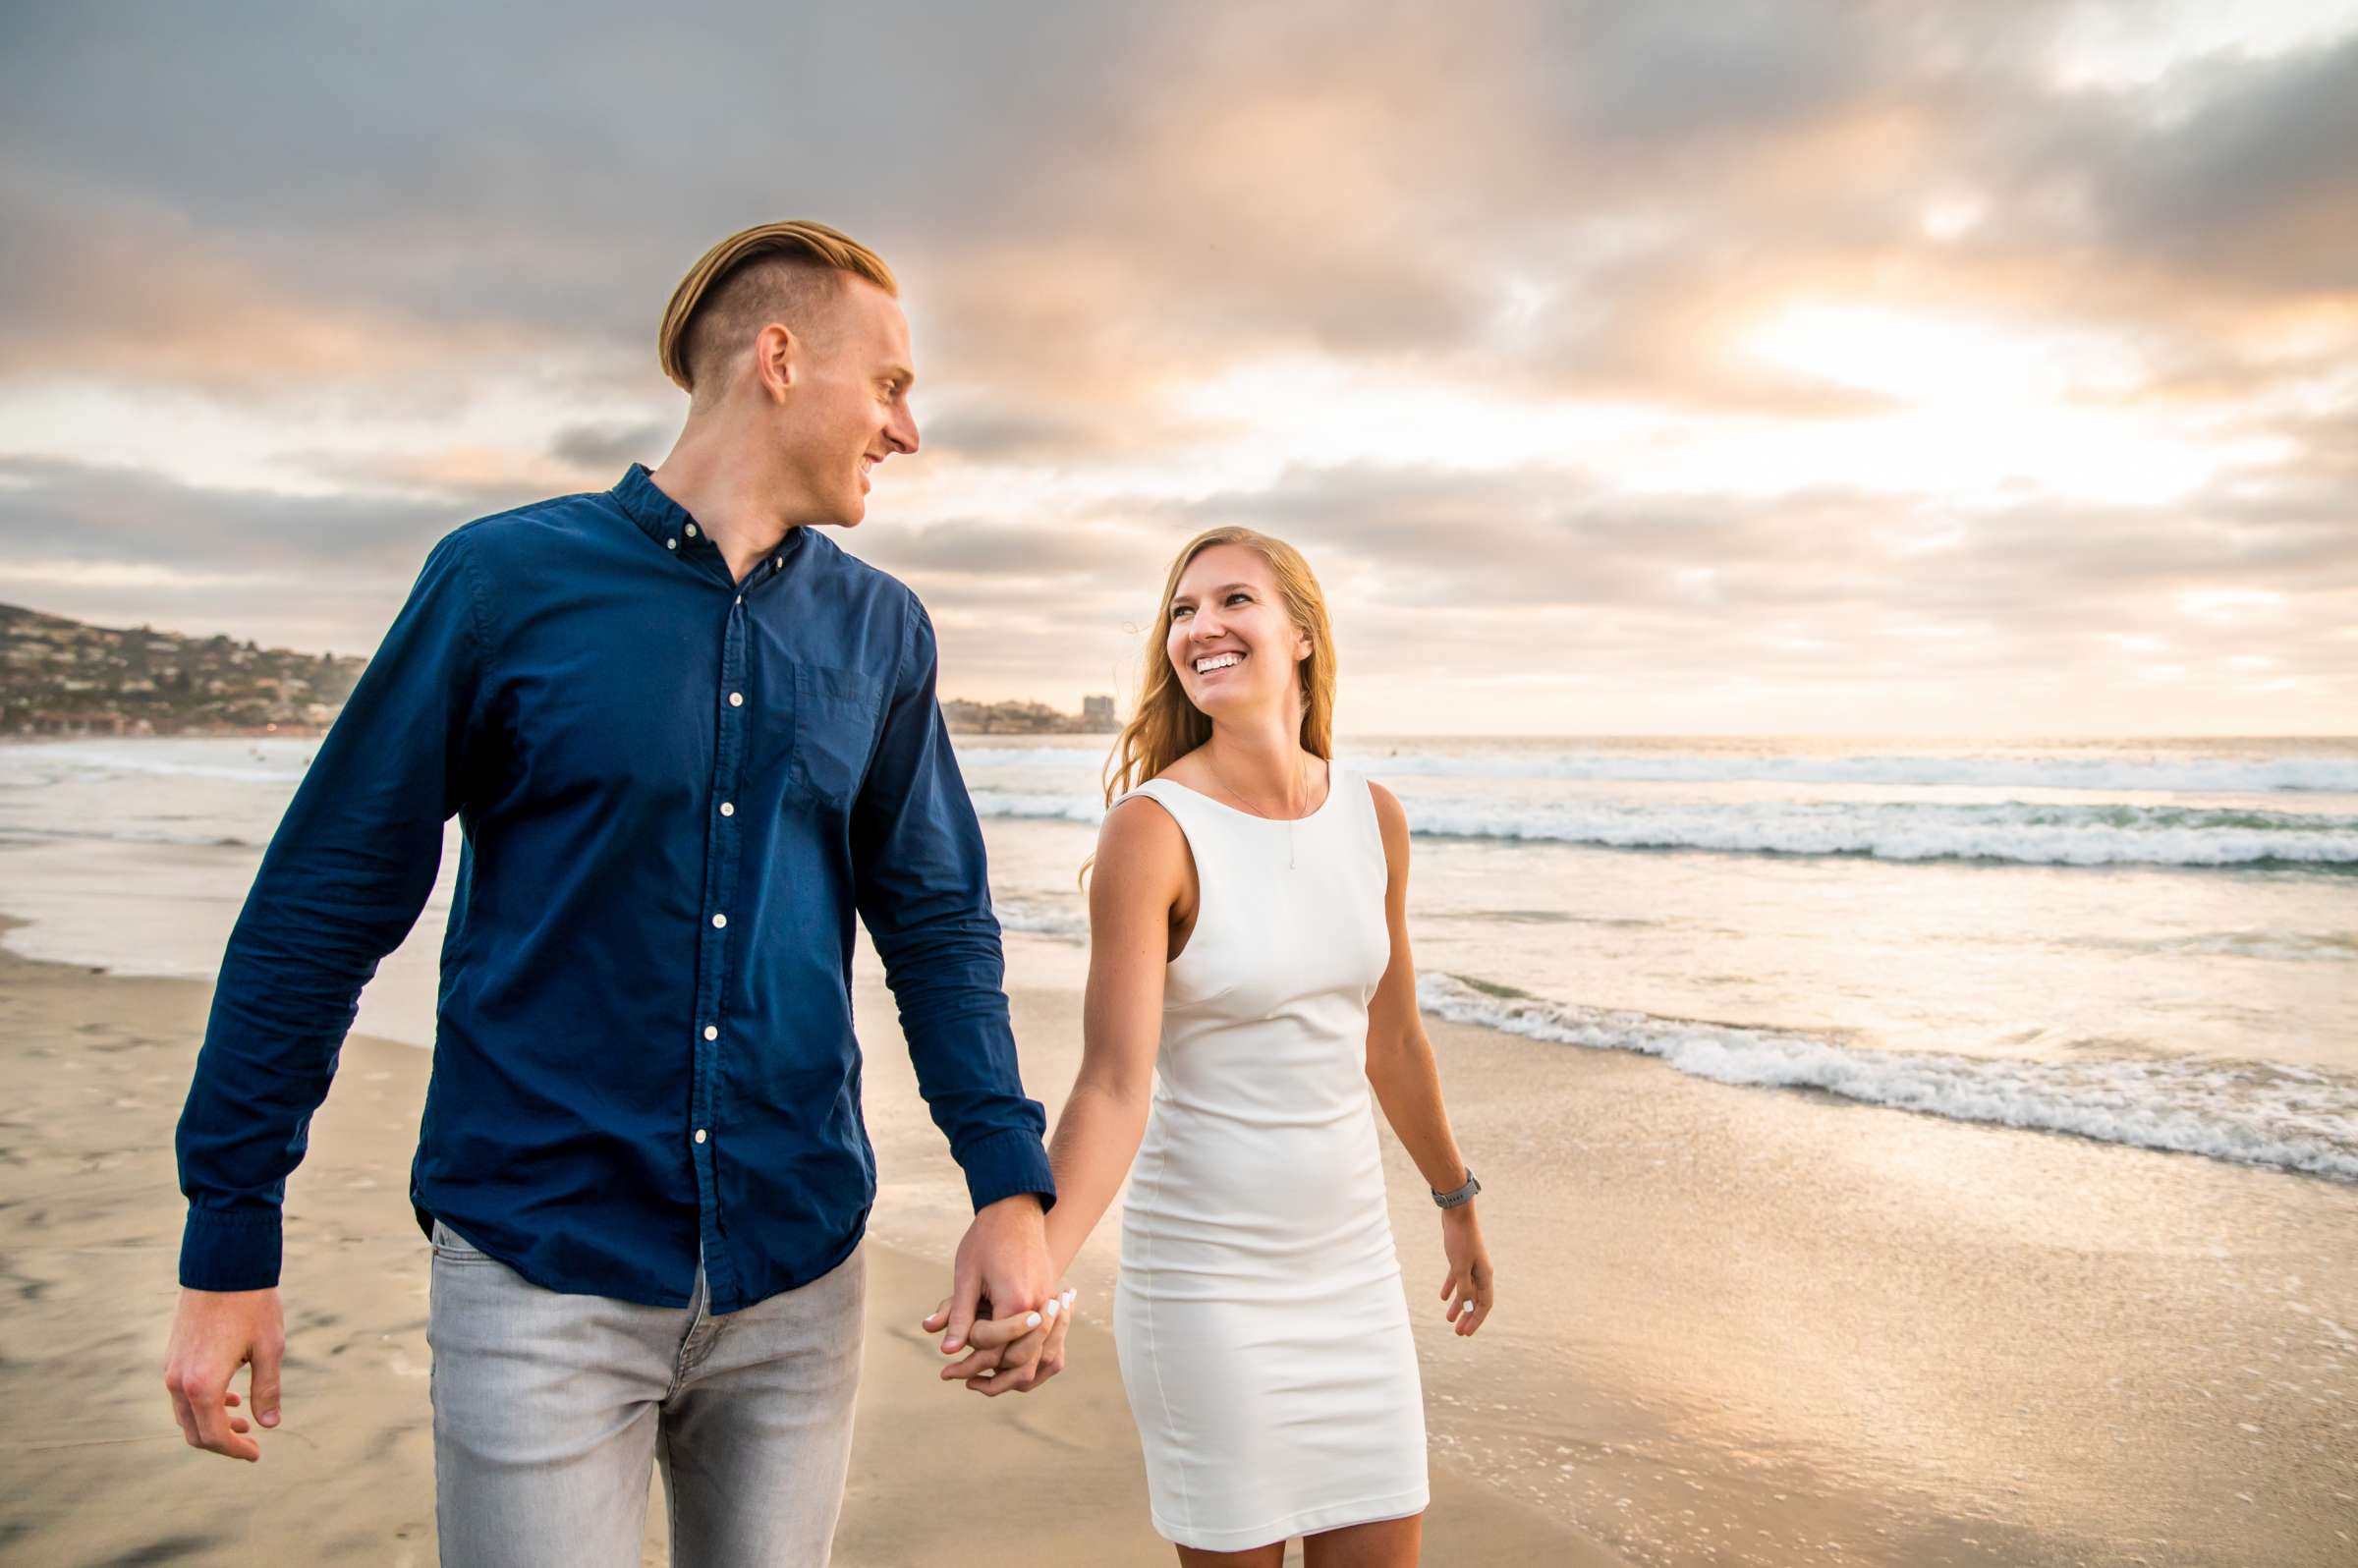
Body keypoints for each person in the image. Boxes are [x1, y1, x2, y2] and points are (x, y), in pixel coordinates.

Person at [161, 219, 1071, 1566]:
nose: (906, 429)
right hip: (539, 1275)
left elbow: (937, 925)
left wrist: (1009, 1186)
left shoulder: (882, 632)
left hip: (796, 1272)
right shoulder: (501, 584)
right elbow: (321, 911)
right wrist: (228, 1236)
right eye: (889, 384)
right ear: (777, 358)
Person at [933, 526, 1496, 1565]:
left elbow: (1394, 1037)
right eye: (1183, 612)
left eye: (1234, 601)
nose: (1202, 629)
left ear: (1302, 637)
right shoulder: (1151, 831)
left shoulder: (1374, 816)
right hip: (1208, 1288)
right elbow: (1111, 1085)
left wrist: (1455, 1202)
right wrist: (1039, 1275)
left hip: (1354, 1277)